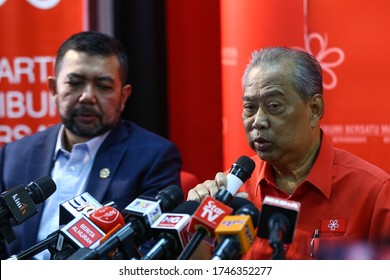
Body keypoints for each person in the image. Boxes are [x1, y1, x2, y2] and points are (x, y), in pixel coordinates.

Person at [188, 46, 390, 260]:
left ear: (314, 109)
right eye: (249, 107)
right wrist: (197, 225)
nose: (258, 121)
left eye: (274, 106)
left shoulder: (374, 192)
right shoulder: (233, 191)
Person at [0, 31, 182, 259]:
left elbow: (152, 254)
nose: (87, 96)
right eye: (75, 83)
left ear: (124, 96)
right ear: (54, 89)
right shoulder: (14, 155)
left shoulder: (154, 156)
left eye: (103, 87)